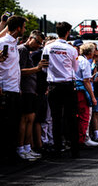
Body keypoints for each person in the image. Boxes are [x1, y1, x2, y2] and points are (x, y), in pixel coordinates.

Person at [42, 21, 80, 158]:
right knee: (72, 118)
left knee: (55, 118)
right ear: (68, 32)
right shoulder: (71, 49)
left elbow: (44, 66)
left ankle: (57, 149)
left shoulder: (48, 48)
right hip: (68, 85)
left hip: (53, 86)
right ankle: (75, 150)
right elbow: (75, 68)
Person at [17, 30, 48, 161]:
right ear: (30, 38)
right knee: (25, 120)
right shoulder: (22, 50)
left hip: (31, 90)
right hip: (24, 90)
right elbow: (19, 71)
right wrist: (37, 68)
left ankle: (27, 147)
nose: (38, 46)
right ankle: (21, 148)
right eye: (38, 43)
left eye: (41, 44)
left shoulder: (27, 51)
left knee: (30, 119)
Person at [0, 15, 28, 160]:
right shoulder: (2, 42)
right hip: (5, 91)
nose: (25, 29)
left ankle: (11, 154)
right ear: (18, 28)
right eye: (24, 27)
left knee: (14, 125)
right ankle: (6, 156)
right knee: (7, 125)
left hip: (15, 90)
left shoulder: (15, 43)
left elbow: (14, 68)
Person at [74, 42, 98, 147]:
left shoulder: (76, 59)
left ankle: (80, 138)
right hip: (82, 91)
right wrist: (93, 97)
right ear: (91, 52)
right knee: (85, 115)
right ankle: (83, 138)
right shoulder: (85, 62)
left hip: (75, 89)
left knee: (78, 116)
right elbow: (86, 81)